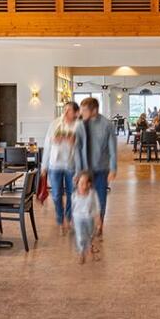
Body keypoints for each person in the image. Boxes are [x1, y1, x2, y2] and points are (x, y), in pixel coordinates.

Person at [75, 97, 117, 227]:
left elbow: (112, 149)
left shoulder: (107, 125)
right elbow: (77, 149)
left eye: (84, 110)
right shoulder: (80, 125)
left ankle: (99, 224)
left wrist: (113, 168)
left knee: (101, 199)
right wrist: (78, 171)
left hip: (101, 169)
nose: (81, 113)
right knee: (85, 198)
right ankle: (88, 224)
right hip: (85, 170)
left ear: (94, 110)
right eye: (81, 110)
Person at [41, 101, 80, 234]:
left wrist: (74, 141)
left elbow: (83, 147)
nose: (66, 112)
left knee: (71, 194)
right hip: (54, 164)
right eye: (65, 109)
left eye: (69, 110)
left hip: (71, 164)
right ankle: (60, 218)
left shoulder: (79, 126)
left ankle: (68, 219)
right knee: (56, 195)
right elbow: (47, 145)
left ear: (76, 113)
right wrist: (44, 166)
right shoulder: (55, 124)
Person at [72, 170, 102, 264]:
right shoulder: (74, 195)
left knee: (90, 235)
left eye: (85, 183)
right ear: (77, 183)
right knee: (80, 236)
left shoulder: (92, 194)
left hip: (89, 217)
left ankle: (90, 249)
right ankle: (81, 252)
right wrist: (71, 219)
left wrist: (98, 218)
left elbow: (97, 206)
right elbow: (73, 207)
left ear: (89, 184)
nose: (83, 186)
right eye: (81, 183)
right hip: (78, 218)